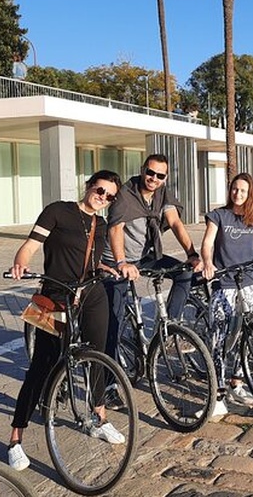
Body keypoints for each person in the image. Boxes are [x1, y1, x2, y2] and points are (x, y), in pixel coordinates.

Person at [5, 170, 125, 471]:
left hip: (92, 294)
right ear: (89, 186)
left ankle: (99, 418)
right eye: (100, 190)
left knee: (98, 356)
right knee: (43, 364)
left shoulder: (101, 224)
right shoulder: (57, 211)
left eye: (110, 197)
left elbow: (87, 257)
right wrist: (20, 263)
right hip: (55, 295)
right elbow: (31, 244)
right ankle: (16, 438)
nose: (103, 198)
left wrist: (103, 267)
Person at [101, 154, 201, 409]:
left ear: (164, 178)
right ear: (142, 169)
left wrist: (192, 254)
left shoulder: (161, 194)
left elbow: (175, 222)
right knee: (114, 322)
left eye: (160, 175)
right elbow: (115, 229)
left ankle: (166, 332)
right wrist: (121, 263)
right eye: (150, 172)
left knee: (184, 273)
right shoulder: (126, 195)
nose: (154, 178)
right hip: (116, 261)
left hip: (144, 257)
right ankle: (108, 386)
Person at [201, 173, 253, 418]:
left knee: (245, 333)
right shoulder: (219, 215)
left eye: (243, 190)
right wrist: (208, 262)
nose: (238, 194)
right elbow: (208, 243)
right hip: (224, 281)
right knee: (218, 337)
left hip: (249, 281)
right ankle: (217, 394)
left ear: (250, 193)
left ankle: (237, 382)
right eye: (235, 189)